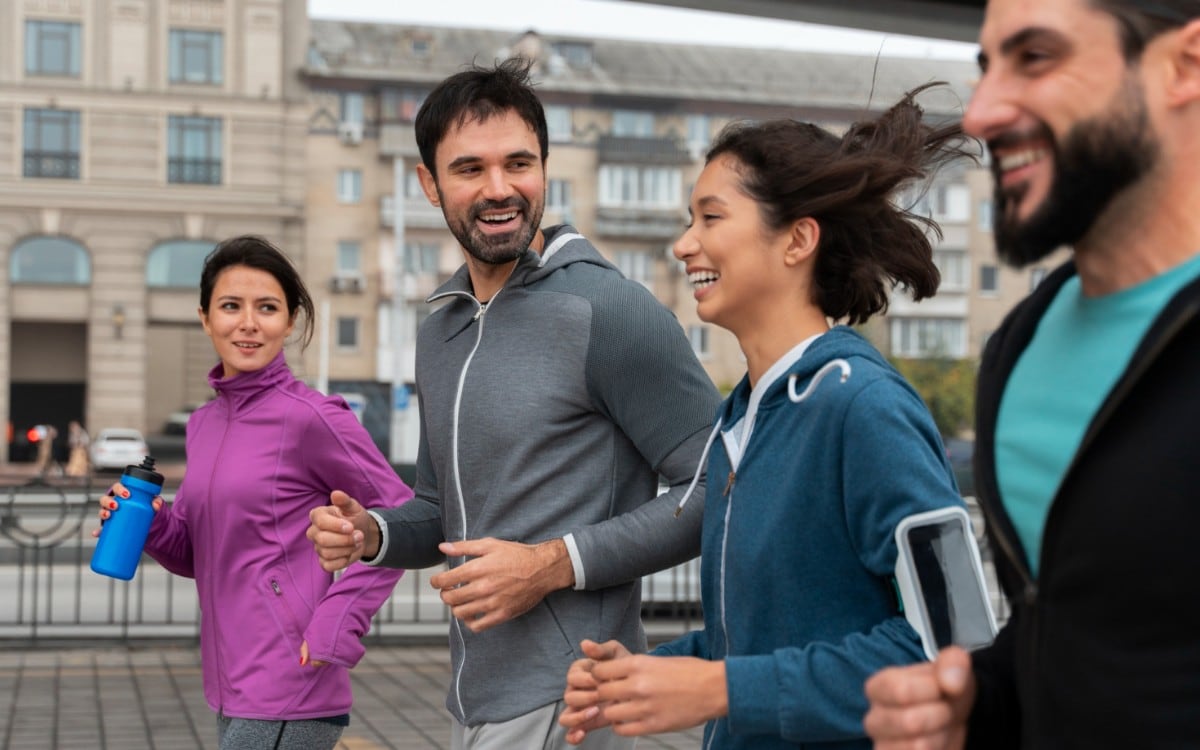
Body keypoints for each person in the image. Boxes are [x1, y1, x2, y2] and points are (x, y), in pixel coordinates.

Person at [306, 57, 721, 750]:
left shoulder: (608, 309)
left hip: (573, 700)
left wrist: (553, 563)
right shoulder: (441, 325)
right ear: (428, 185)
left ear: (545, 170)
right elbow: (442, 510)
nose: (500, 189)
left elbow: (719, 484)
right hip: (475, 697)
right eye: (470, 169)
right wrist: (373, 535)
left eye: (518, 163)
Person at [557, 86, 972, 749]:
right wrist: (646, 676)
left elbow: (956, 642)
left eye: (711, 217)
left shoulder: (863, 406)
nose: (682, 244)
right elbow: (758, 641)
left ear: (798, 239)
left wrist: (722, 689)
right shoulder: (737, 422)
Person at [863, 2, 1200, 748]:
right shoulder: (1023, 342)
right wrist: (976, 704)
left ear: (1184, 67)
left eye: (1036, 58)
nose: (981, 115)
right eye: (987, 67)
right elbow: (1091, 633)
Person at [95, 235, 413, 750]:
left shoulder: (312, 417)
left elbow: (403, 518)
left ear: (288, 323)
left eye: (267, 308)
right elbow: (202, 553)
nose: (248, 323)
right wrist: (151, 521)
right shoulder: (202, 424)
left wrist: (338, 620)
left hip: (293, 678)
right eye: (230, 306)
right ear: (205, 318)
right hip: (228, 679)